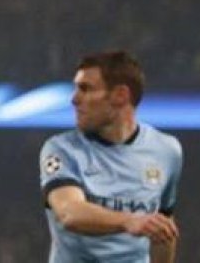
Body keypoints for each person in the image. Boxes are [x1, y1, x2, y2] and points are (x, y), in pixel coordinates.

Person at [38, 51, 183, 263]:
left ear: (120, 95)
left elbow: (163, 229)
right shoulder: (61, 149)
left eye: (85, 89)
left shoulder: (167, 150)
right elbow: (69, 213)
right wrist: (128, 221)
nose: (74, 99)